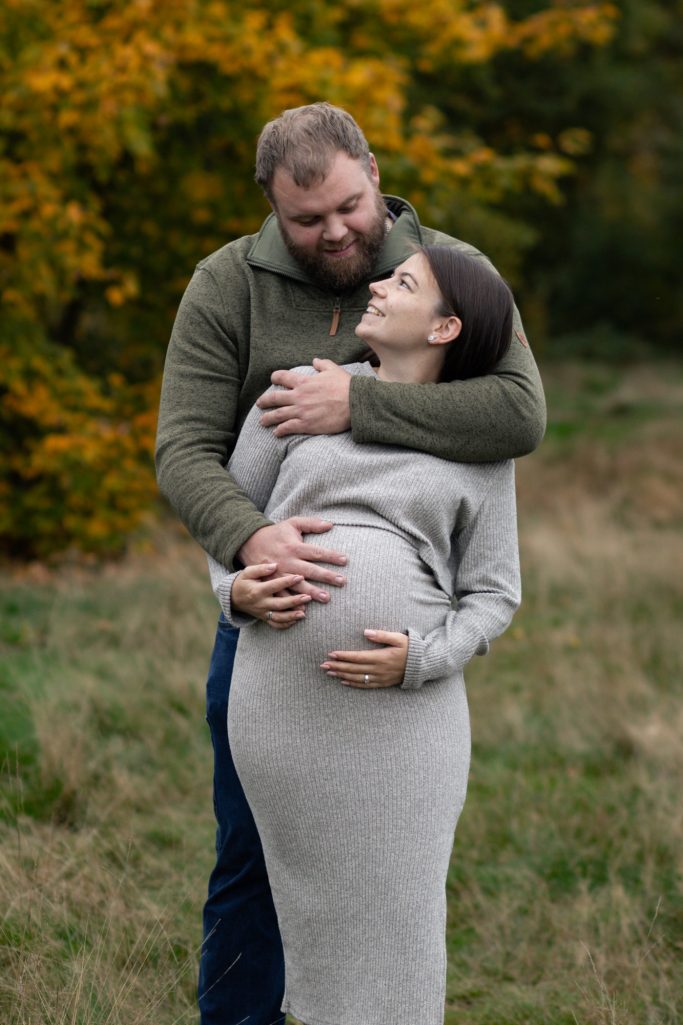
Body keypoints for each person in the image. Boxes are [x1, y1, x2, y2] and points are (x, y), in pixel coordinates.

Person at [155, 102, 545, 1025]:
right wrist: (246, 548)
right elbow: (183, 450)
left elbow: (515, 416)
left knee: (392, 883)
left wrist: (355, 404)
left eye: (349, 206)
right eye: (307, 219)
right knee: (251, 861)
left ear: (373, 172)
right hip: (269, 633)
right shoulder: (226, 285)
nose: (336, 232)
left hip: (403, 682)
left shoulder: (451, 272)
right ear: (271, 211)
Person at [206, 244, 521, 1024]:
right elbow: (225, 525)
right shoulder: (292, 396)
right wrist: (236, 590)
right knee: (295, 908)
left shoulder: (475, 438)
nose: (377, 284)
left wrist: (423, 659)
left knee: (402, 915)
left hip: (408, 720)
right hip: (281, 708)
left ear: (444, 326)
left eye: (403, 283)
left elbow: (493, 591)